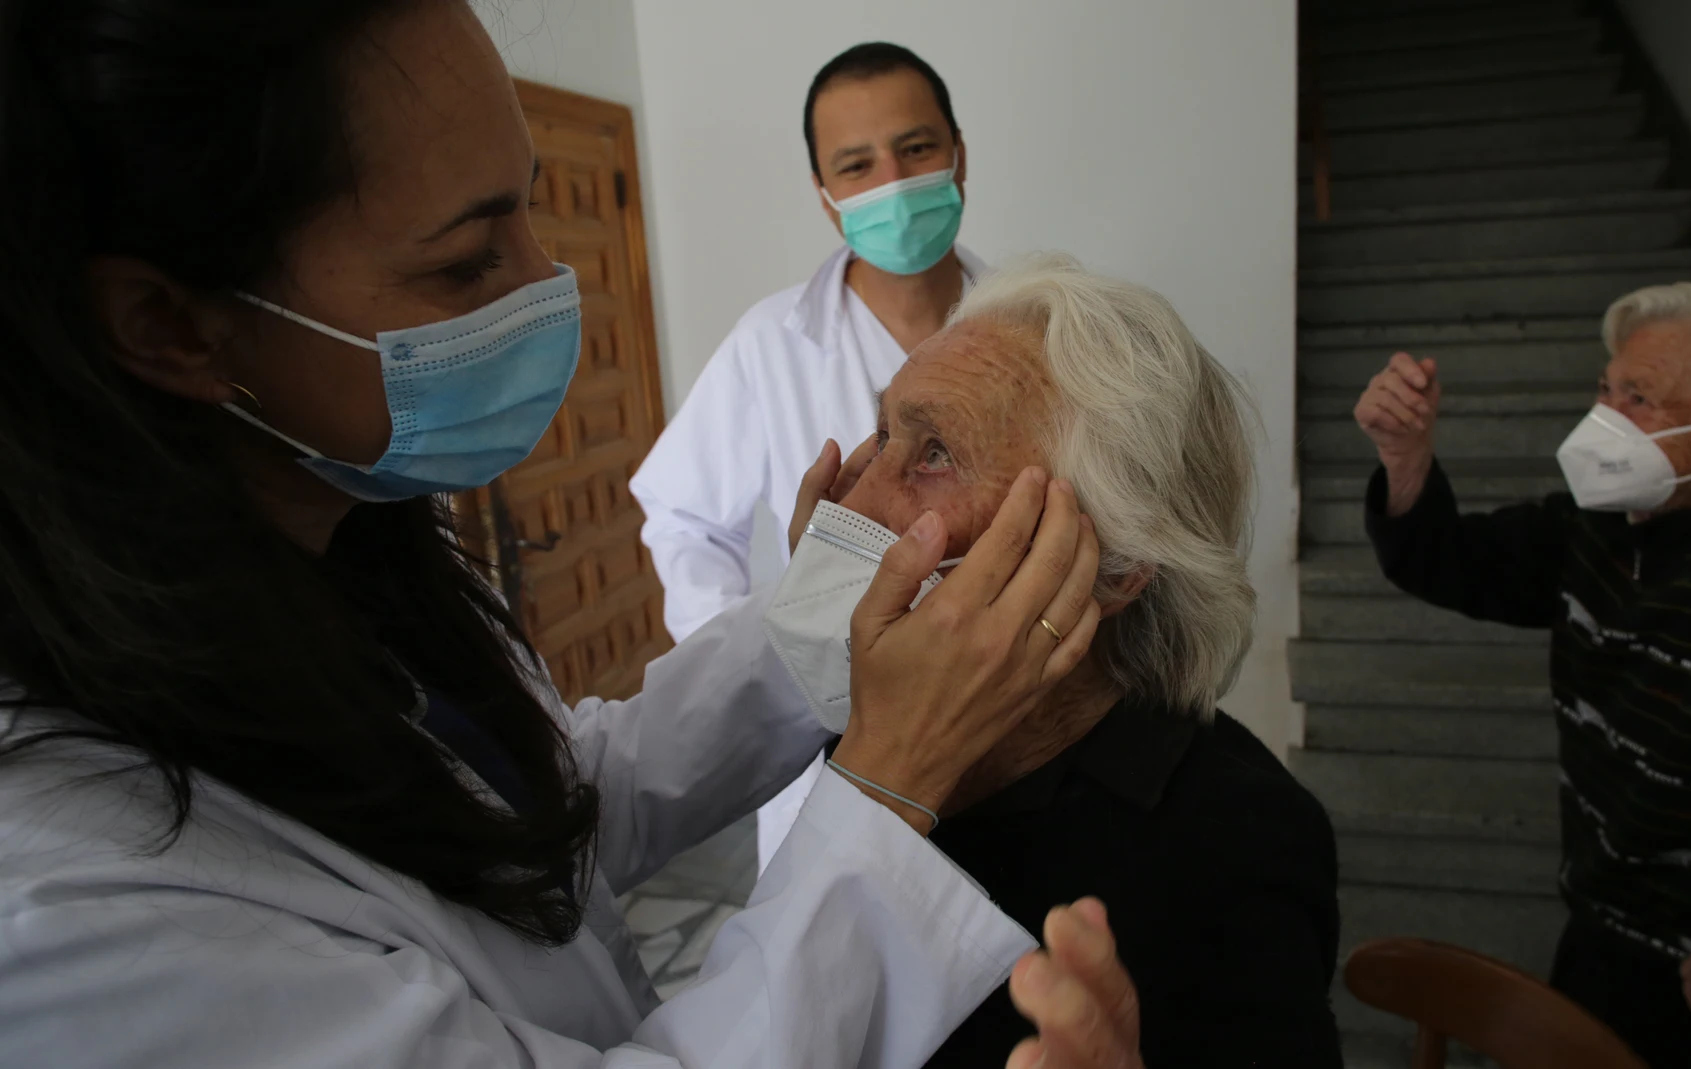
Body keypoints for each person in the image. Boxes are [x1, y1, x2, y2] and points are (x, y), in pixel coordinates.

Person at [0, 3, 1144, 1067]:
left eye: (528, 211)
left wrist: (817, 631)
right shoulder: (81, 900)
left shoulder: (349, 568)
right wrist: (886, 786)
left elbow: (551, 814)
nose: (551, 287)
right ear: (166, 323)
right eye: (464, 262)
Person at [780, 254, 1342, 1067]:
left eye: (934, 452)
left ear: (1108, 566)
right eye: (883, 435)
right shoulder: (879, 727)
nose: (850, 501)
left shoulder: (1232, 849)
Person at [1352, 281, 1691, 1068]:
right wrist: (1406, 456)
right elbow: (1458, 564)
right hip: (1603, 938)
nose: (1604, 419)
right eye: (1605, 387)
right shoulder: (1612, 524)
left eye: (1639, 398)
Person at [629, 41, 984, 869]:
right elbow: (679, 516)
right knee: (839, 967)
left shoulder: (1029, 327)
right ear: (827, 198)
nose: (892, 183)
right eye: (857, 165)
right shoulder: (767, 347)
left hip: (1005, 718)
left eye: (917, 149)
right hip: (835, 741)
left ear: (959, 153)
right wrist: (776, 663)